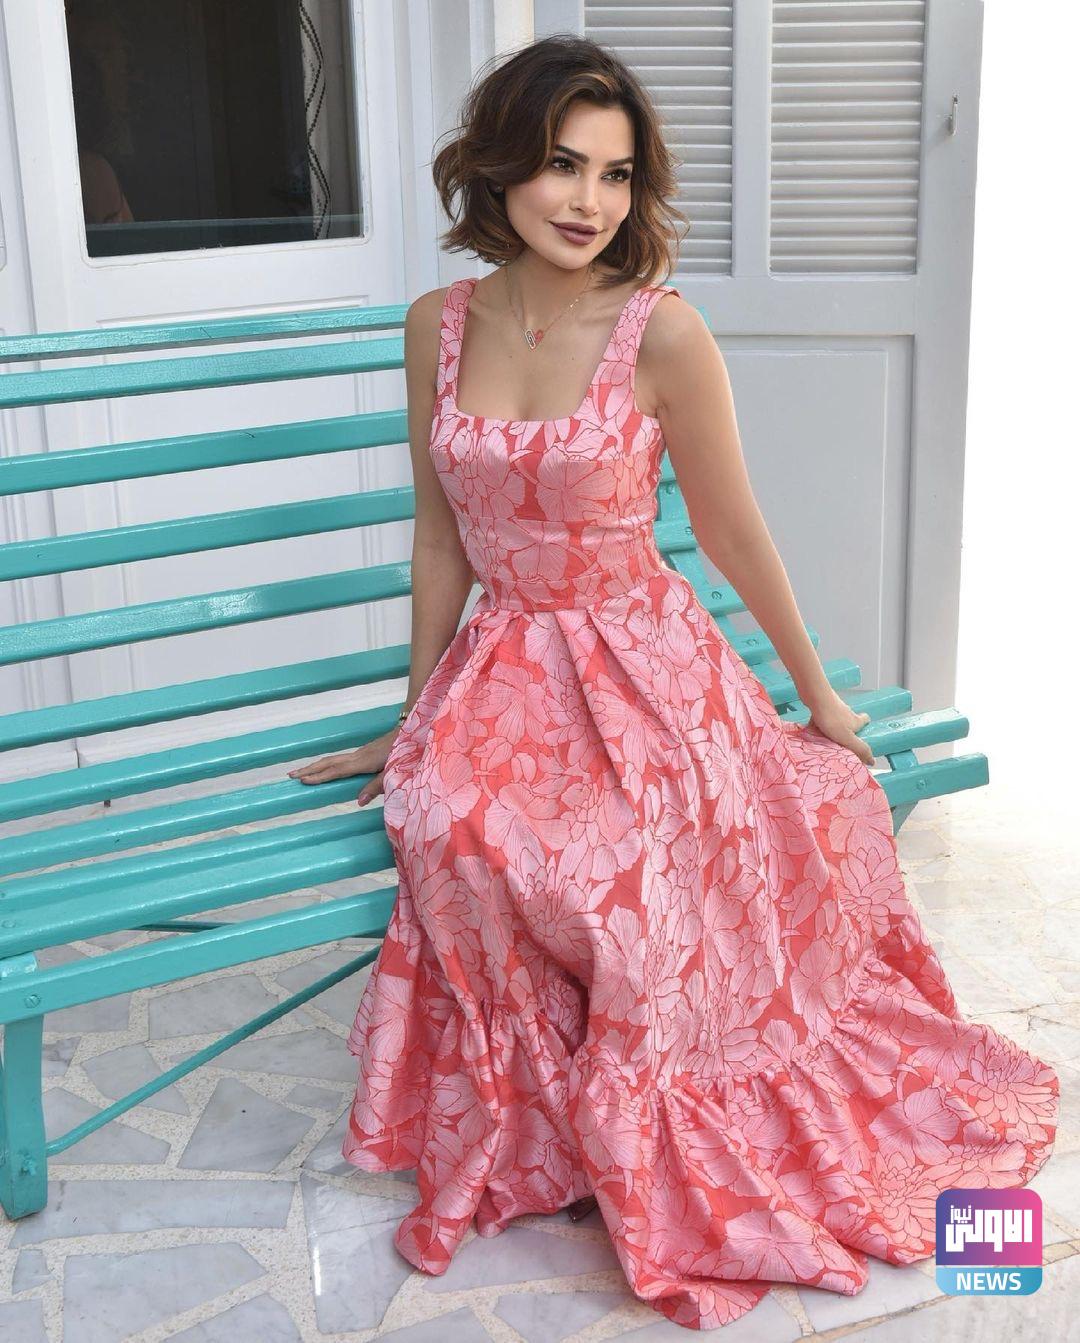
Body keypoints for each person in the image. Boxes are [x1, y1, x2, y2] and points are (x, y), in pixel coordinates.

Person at [288, 35, 1058, 1332]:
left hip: (645, 671)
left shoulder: (663, 333)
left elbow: (734, 530)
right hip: (500, 671)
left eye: (616, 175)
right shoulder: (437, 325)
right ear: (500, 168)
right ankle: (546, 1119)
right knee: (454, 828)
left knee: (629, 877)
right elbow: (439, 538)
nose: (589, 200)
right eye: (561, 165)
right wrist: (415, 719)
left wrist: (816, 698)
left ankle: (657, 1107)